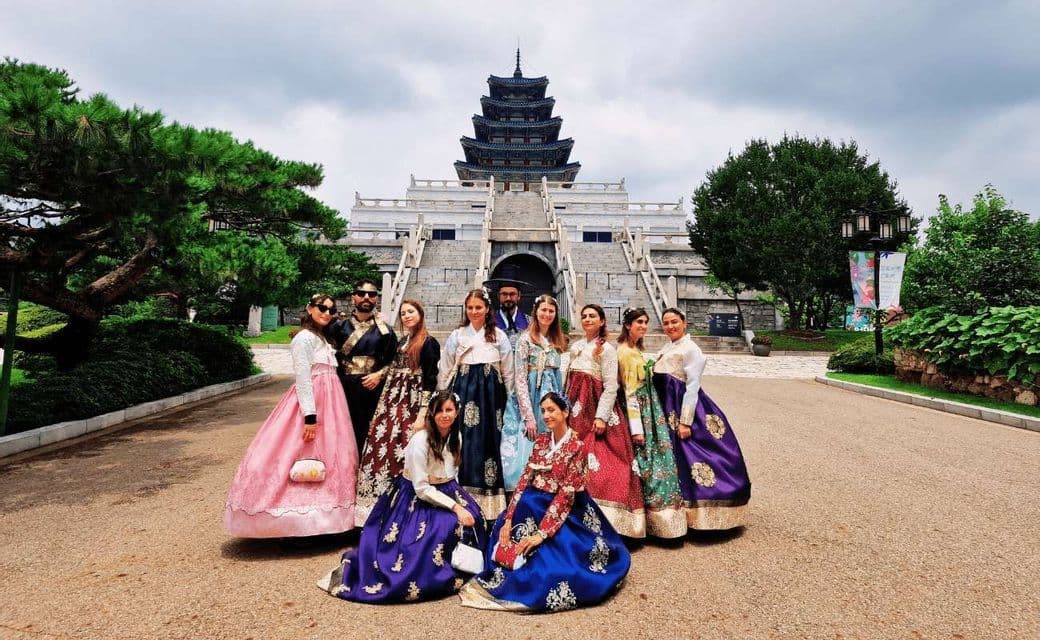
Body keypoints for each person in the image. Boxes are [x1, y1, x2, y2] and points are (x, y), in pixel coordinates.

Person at [459, 392, 630, 612]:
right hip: (532, 501)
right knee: (504, 533)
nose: (547, 415)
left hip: (564, 510)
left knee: (555, 569)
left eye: (552, 410)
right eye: (544, 411)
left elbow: (566, 495)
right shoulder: (540, 441)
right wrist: (509, 517)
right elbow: (524, 479)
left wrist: (541, 534)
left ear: (565, 412)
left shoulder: (577, 447)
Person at [319, 392, 489, 603]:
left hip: (446, 488)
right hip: (417, 496)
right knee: (436, 531)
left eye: (449, 410)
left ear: (457, 412)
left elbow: (450, 473)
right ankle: (435, 574)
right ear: (432, 413)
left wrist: (459, 501)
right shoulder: (421, 441)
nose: (445, 415)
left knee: (476, 518)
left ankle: (465, 566)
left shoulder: (456, 437)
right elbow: (421, 489)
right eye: (440, 411)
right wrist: (455, 507)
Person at [224, 294, 358, 538]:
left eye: (331, 309)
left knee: (332, 455)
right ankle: (291, 518)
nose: (326, 313)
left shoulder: (322, 339)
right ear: (309, 308)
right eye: (321, 308)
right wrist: (309, 415)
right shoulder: (304, 339)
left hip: (332, 404)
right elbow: (303, 378)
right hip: (314, 402)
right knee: (299, 453)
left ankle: (329, 518)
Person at [652, 307, 751, 530]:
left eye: (674, 322)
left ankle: (703, 512)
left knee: (693, 456)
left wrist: (686, 421)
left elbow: (692, 386)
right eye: (666, 323)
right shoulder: (669, 346)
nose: (670, 326)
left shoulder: (691, 349)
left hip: (683, 408)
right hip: (666, 407)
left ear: (684, 323)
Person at [564, 304, 646, 538]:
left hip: (597, 409)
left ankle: (611, 519)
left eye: (592, 316)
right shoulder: (577, 346)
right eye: (584, 316)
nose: (588, 319)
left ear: (602, 321)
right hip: (575, 409)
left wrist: (601, 416)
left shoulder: (607, 349)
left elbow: (611, 386)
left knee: (607, 462)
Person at [355, 299, 441, 521]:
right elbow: (392, 367)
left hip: (412, 403)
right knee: (382, 445)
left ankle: (407, 510)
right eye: (403, 313)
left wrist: (423, 413)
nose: (407, 316)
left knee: (406, 447)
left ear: (421, 314)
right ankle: (377, 509)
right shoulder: (403, 340)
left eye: (411, 312)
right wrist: (379, 375)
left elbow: (431, 380)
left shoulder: (429, 342)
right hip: (392, 401)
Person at [437, 288, 513, 518]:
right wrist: (441, 397)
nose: (474, 311)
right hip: (464, 392)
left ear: (487, 309)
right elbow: (446, 367)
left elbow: (508, 371)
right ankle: (461, 498)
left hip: (491, 396)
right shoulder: (458, 335)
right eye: (470, 307)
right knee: (464, 441)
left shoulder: (499, 335)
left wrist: (510, 402)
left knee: (491, 441)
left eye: (478, 307)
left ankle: (491, 506)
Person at [616, 307, 687, 538]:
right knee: (648, 463)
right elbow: (628, 392)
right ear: (628, 325)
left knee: (658, 461)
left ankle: (661, 519)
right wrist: (636, 428)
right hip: (640, 414)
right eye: (639, 322)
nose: (643, 326)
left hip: (651, 411)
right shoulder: (625, 352)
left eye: (646, 322)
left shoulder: (636, 349)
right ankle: (646, 518)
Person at [501, 294, 569, 491]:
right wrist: (528, 415)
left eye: (551, 311)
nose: (547, 314)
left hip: (551, 397)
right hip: (530, 396)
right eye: (543, 310)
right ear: (536, 312)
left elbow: (559, 378)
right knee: (528, 439)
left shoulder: (557, 341)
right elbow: (520, 379)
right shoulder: (525, 340)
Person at [326, 279, 398, 452]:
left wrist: (379, 375)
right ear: (353, 298)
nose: (366, 297)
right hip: (343, 386)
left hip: (372, 387)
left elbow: (395, 360)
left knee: (371, 430)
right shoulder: (338, 327)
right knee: (343, 427)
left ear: (376, 299)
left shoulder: (386, 330)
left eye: (372, 294)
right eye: (361, 293)